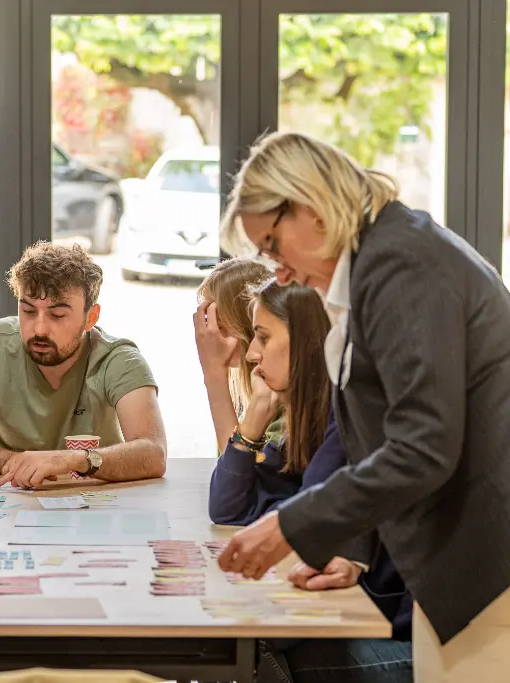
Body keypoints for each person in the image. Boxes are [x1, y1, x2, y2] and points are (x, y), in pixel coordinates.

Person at [215, 131, 510, 682]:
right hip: (461, 566)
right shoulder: (379, 261)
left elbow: (423, 447)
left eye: (274, 246)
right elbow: (369, 439)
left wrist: (290, 525)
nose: (276, 271)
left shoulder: (403, 266)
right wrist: (350, 548)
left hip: (489, 565)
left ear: (309, 208)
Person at [207, 279, 412, 683]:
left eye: (263, 337)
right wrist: (253, 419)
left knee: (260, 651)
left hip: (405, 629)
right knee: (249, 646)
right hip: (363, 612)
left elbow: (307, 520)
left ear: (308, 341)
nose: (251, 353)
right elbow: (228, 508)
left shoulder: (351, 412)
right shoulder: (306, 417)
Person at [0, 242, 167, 488]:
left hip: (95, 501)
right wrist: (18, 461)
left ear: (91, 317)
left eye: (57, 315)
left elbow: (153, 453)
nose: (40, 329)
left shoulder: (119, 359)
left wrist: (71, 460)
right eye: (29, 311)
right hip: (13, 497)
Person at [193, 257, 275, 454]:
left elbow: (233, 470)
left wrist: (214, 375)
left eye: (218, 324)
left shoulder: (277, 396)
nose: (209, 334)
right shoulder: (258, 388)